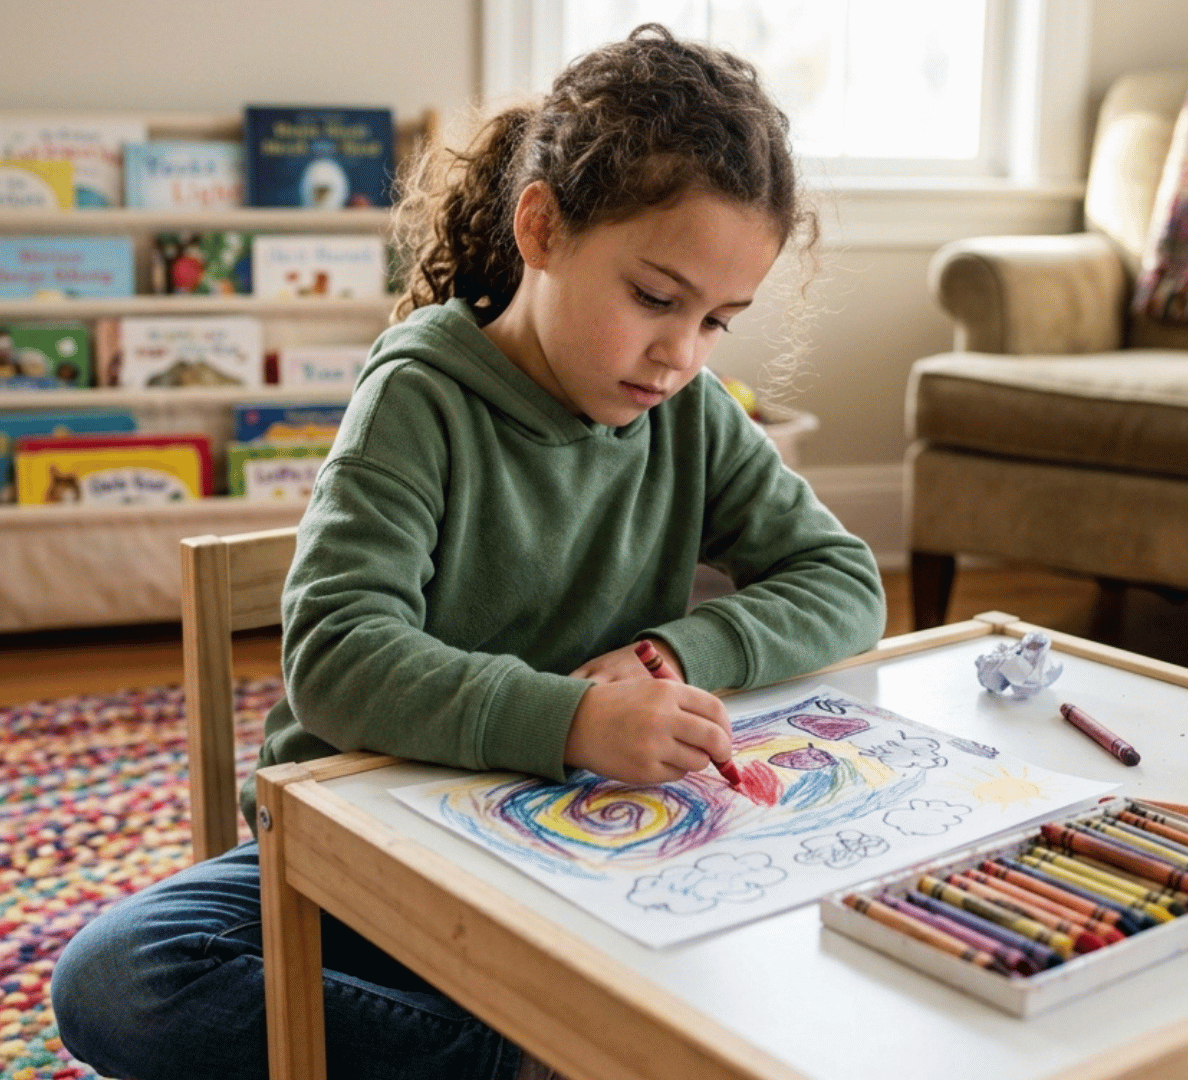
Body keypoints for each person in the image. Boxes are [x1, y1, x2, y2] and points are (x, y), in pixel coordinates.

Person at [51, 24, 885, 1080]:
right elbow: (338, 657)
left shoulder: (692, 413)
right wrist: (571, 716)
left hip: (583, 851)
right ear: (541, 229)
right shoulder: (419, 396)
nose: (681, 354)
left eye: (720, 320)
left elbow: (845, 580)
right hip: (375, 844)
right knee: (122, 976)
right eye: (656, 299)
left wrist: (677, 655)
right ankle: (525, 1059)